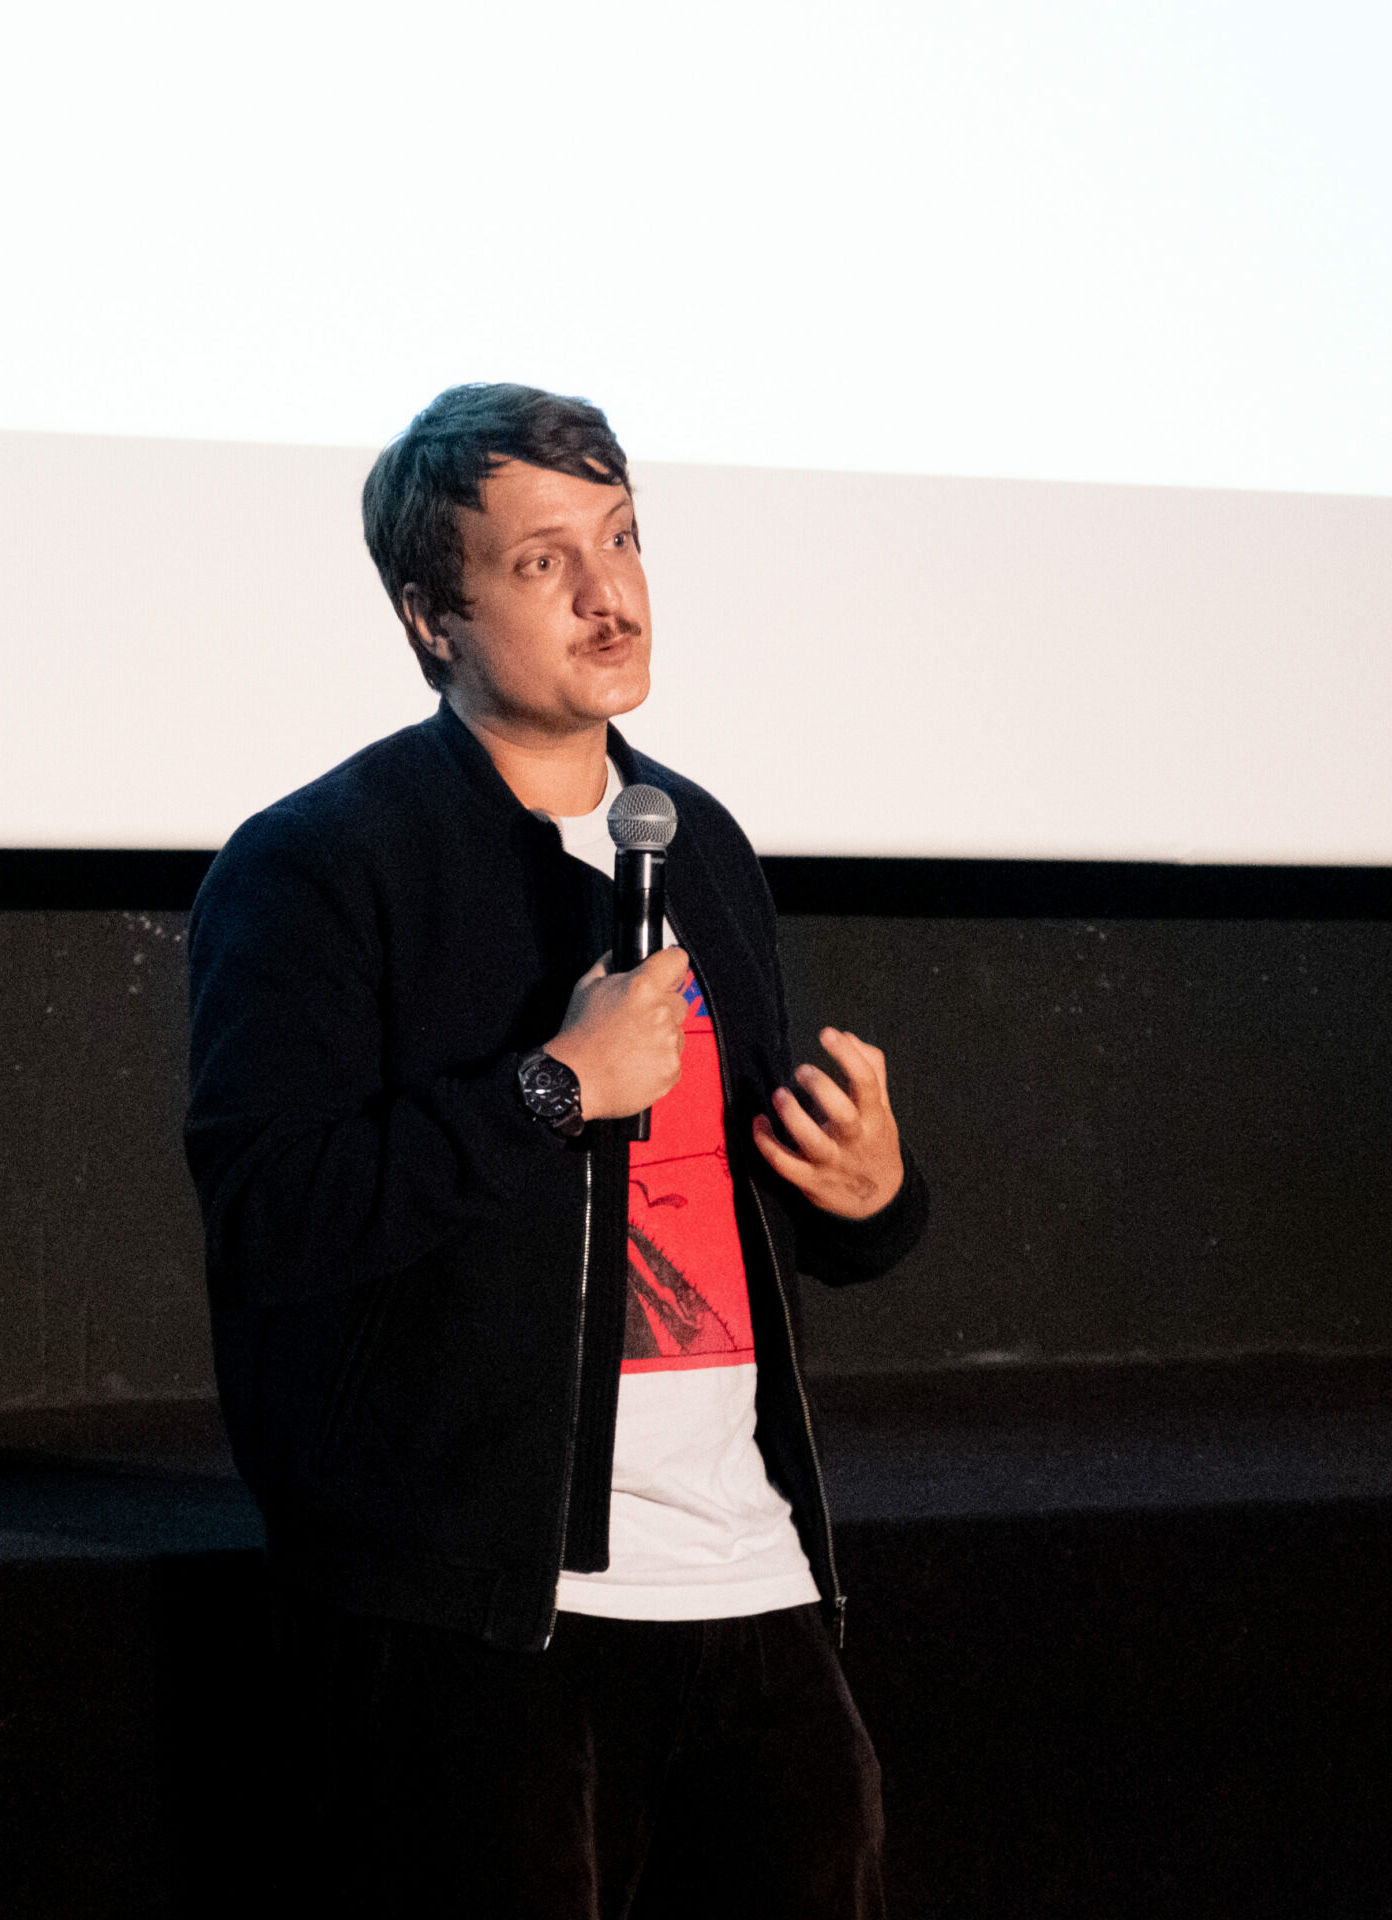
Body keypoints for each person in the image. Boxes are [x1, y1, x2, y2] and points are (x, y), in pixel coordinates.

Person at [184, 383, 928, 1917]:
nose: (609, 594)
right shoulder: (321, 864)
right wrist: (549, 1089)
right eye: (542, 562)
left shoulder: (697, 843)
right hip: (478, 1615)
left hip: (749, 1578)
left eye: (624, 538)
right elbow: (271, 1214)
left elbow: (741, 1211)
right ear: (431, 619)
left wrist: (871, 1201)